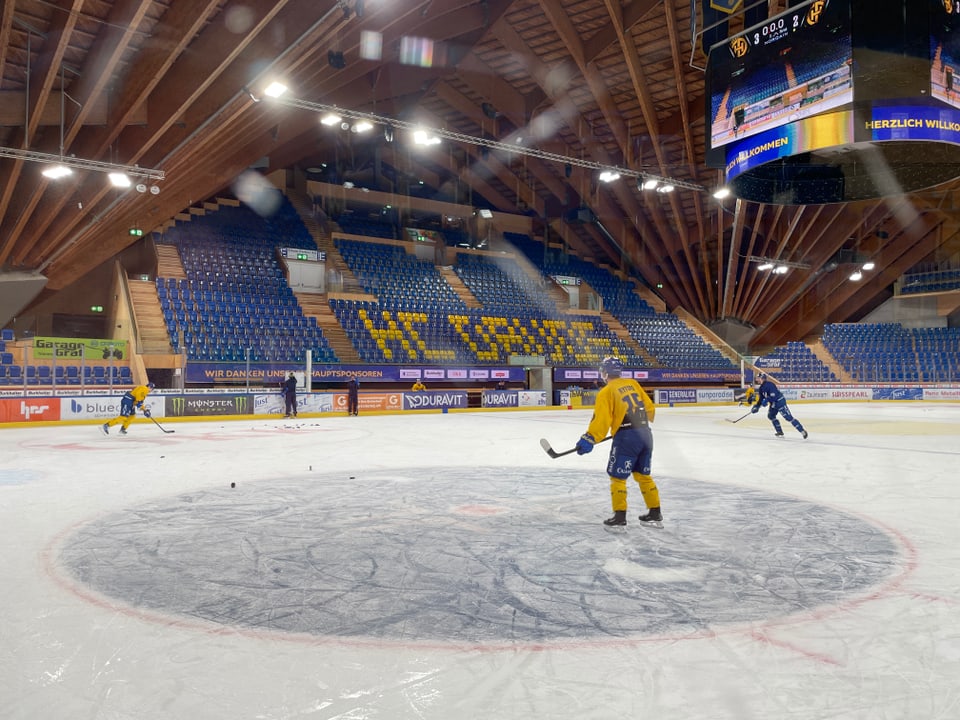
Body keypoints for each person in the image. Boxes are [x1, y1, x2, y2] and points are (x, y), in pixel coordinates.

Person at [574, 356, 662, 527]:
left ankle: (620, 516)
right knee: (643, 475)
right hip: (645, 433)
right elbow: (649, 408)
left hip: (627, 437)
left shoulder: (606, 392)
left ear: (605, 373)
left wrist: (590, 438)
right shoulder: (633, 384)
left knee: (617, 477)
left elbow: (602, 420)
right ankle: (655, 512)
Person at [751, 372, 808, 439]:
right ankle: (779, 432)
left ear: (763, 378)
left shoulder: (770, 385)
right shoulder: (761, 388)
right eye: (757, 378)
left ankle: (802, 431)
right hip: (773, 404)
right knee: (771, 416)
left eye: (758, 378)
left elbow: (773, 396)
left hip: (779, 402)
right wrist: (757, 406)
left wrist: (766, 400)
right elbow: (761, 399)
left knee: (788, 417)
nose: (757, 379)